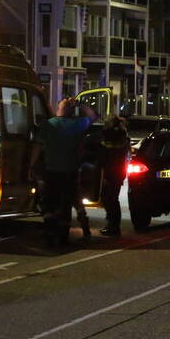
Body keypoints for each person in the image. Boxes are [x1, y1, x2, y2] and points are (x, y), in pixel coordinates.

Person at [29, 97, 98, 246]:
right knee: (67, 203)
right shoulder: (77, 124)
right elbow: (93, 116)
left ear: (57, 108)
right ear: (71, 110)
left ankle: (50, 232)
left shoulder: (48, 125)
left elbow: (37, 147)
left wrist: (32, 165)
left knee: (49, 203)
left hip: (51, 171)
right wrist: (80, 104)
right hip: (70, 171)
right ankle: (64, 235)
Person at [98, 115, 131, 236]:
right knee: (110, 199)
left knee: (110, 199)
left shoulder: (114, 138)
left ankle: (113, 226)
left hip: (112, 173)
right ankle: (112, 225)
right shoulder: (122, 137)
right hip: (116, 173)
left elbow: (106, 155)